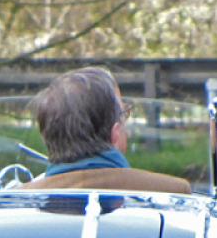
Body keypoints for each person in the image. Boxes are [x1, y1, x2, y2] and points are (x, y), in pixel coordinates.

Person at [20, 66, 191, 194]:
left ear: (47, 136)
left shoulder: (14, 203)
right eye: (124, 113)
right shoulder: (171, 193)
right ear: (115, 134)